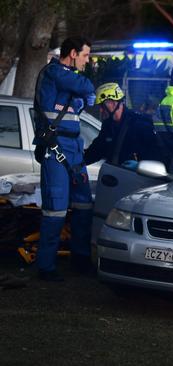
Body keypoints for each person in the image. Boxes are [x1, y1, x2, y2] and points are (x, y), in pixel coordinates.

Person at [32, 36, 96, 281]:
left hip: (75, 146)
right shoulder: (53, 73)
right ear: (72, 53)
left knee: (83, 205)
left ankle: (80, 259)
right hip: (55, 146)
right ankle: (45, 267)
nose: (87, 61)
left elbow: (82, 92)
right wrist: (84, 90)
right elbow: (86, 87)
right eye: (85, 55)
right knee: (55, 209)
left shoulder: (68, 80)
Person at [84, 83, 160, 168]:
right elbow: (96, 150)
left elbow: (155, 155)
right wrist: (75, 161)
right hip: (115, 176)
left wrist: (139, 166)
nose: (101, 110)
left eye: (102, 106)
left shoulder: (140, 124)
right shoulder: (108, 125)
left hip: (137, 178)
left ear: (113, 103)